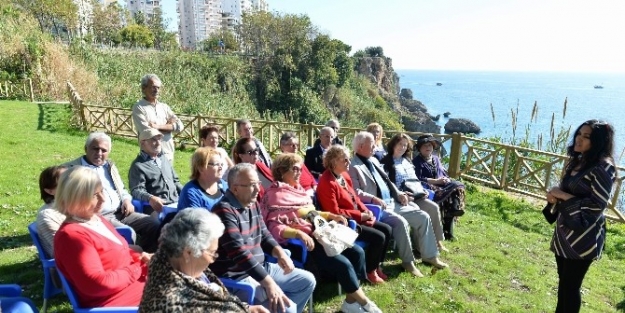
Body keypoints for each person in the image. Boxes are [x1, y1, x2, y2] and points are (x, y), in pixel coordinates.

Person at [261, 153, 382, 313]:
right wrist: (299, 234)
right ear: (282, 171)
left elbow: (310, 213)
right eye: (295, 169)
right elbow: (274, 228)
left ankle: (350, 301)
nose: (299, 173)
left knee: (357, 252)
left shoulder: (299, 191)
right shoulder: (275, 195)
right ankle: (366, 303)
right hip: (303, 243)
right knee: (343, 264)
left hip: (321, 233)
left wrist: (330, 215)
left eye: (300, 169)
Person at [210, 163, 316, 313]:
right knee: (288, 308)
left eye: (258, 183)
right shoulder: (224, 211)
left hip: (261, 268)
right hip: (238, 277)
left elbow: (264, 234)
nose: (258, 189)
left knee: (307, 281)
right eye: (252, 185)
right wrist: (269, 283)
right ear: (235, 188)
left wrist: (279, 252)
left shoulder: (251, 203)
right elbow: (239, 253)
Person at [544, 120, 616, 313]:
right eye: (579, 134)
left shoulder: (603, 167)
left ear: (599, 142)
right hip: (564, 232)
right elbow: (566, 192)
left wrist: (562, 195)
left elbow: (597, 205)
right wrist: (554, 196)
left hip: (584, 237)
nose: (579, 139)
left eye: (586, 137)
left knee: (571, 286)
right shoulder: (578, 160)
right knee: (563, 284)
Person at [349, 132, 448, 271]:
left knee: (423, 216)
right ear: (360, 146)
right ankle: (408, 262)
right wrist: (373, 198)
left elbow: (388, 181)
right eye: (372, 144)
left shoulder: (374, 160)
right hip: (377, 206)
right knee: (400, 223)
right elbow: (355, 192)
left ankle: (430, 256)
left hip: (391, 201)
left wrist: (399, 193)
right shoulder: (353, 166)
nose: (375, 146)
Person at [53, 166, 150, 308]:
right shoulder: (71, 237)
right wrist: (138, 268)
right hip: (118, 304)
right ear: (74, 198)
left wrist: (142, 258)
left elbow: (119, 254)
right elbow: (96, 285)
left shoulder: (96, 219)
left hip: (137, 290)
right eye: (94, 195)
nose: (103, 199)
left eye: (102, 191)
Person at [139, 209, 269, 313]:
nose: (212, 260)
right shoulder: (174, 301)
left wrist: (246, 309)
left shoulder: (175, 263)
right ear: (188, 252)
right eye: (212, 253)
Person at [64, 132, 160, 252]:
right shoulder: (72, 170)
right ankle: (129, 262)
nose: (99, 153)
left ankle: (146, 258)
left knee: (153, 224)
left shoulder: (109, 166)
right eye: (95, 148)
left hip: (122, 212)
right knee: (128, 233)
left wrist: (126, 200)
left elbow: (122, 189)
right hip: (99, 216)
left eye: (103, 150)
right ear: (86, 148)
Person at [316, 145, 392, 284]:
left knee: (387, 229)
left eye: (348, 159)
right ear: (333, 162)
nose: (349, 163)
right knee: (379, 237)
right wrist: (359, 215)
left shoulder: (343, 175)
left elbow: (355, 197)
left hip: (357, 216)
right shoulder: (326, 182)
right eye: (345, 160)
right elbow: (334, 212)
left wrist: (365, 210)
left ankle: (376, 266)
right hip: (344, 223)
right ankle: (370, 272)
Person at [381, 133, 450, 247]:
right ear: (393, 145)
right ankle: (420, 246)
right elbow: (387, 185)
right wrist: (402, 194)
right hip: (400, 197)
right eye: (400, 144)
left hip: (415, 194)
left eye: (405, 145)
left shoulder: (407, 160)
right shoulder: (386, 162)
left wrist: (422, 190)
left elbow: (415, 179)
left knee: (433, 207)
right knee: (420, 212)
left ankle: (438, 241)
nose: (402, 147)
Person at [412, 134, 466, 240]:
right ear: (419, 148)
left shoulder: (436, 159)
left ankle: (453, 211)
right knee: (448, 194)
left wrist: (446, 179)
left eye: (430, 145)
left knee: (457, 185)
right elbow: (418, 178)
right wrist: (436, 181)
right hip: (427, 187)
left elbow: (442, 172)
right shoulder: (416, 162)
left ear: (433, 147)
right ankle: (451, 214)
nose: (428, 148)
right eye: (425, 146)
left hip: (441, 184)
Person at [129, 128, 183, 216]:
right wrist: (151, 198)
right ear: (143, 143)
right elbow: (136, 190)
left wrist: (187, 192)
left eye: (159, 139)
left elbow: (176, 182)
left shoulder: (164, 159)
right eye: (153, 140)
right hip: (157, 209)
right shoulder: (138, 165)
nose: (158, 143)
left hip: (176, 204)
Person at [132, 74, 184, 163]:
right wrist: (169, 127)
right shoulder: (139, 107)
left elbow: (180, 126)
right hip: (150, 158)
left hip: (168, 155)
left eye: (158, 88)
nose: (156, 90)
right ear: (143, 88)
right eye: (153, 87)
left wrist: (157, 126)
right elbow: (147, 133)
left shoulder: (165, 107)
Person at [177, 147, 228, 211]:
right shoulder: (191, 193)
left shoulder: (223, 185)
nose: (221, 168)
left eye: (221, 164)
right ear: (201, 168)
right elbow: (195, 220)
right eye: (216, 164)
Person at [36, 165, 68, 258]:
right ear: (50, 191)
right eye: (64, 182)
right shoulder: (47, 217)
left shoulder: (77, 205)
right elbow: (66, 250)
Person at [279, 132, 316, 196]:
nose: (295, 147)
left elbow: (310, 176)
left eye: (297, 144)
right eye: (292, 145)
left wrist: (315, 185)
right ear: (282, 146)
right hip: (300, 194)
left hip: (311, 191)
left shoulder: (297, 159)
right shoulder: (282, 163)